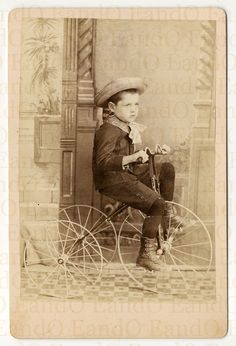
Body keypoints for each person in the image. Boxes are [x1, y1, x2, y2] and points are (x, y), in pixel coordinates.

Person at [92, 77, 184, 271]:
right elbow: (103, 163)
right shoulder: (108, 130)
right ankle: (146, 255)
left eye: (136, 104)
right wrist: (133, 158)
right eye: (127, 105)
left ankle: (167, 215)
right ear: (112, 107)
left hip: (128, 175)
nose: (133, 109)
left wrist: (152, 152)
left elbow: (131, 156)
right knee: (155, 203)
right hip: (112, 180)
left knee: (166, 168)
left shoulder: (127, 127)